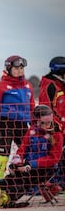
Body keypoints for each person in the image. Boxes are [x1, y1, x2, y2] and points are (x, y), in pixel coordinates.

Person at [0, 105, 64, 209]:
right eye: (43, 122)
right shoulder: (32, 131)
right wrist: (17, 161)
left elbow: (53, 158)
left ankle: (5, 197)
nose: (47, 125)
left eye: (49, 122)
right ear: (36, 121)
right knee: (11, 177)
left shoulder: (56, 135)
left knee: (23, 179)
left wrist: (31, 164)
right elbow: (22, 148)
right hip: (28, 165)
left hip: (46, 169)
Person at [0, 56, 35, 183]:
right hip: (5, 124)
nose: (20, 71)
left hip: (22, 125)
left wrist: (34, 124)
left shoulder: (27, 86)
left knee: (27, 152)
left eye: (21, 68)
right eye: (16, 68)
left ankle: (25, 179)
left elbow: (32, 107)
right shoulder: (0, 86)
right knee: (3, 154)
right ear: (9, 68)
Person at [39, 56, 65, 190]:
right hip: (55, 129)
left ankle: (60, 184)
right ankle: (51, 185)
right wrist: (53, 126)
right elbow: (46, 108)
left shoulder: (60, 85)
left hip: (62, 127)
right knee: (54, 156)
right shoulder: (50, 85)